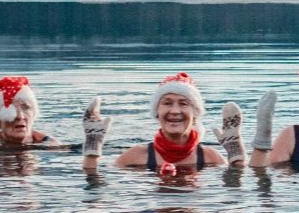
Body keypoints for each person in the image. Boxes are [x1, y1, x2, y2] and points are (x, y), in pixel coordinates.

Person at [82, 72, 228, 175]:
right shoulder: (135, 155)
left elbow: (234, 190)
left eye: (183, 104)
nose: (175, 111)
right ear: (157, 112)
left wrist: (237, 155)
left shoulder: (210, 157)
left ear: (195, 114)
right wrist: (92, 151)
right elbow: (95, 182)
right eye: (167, 103)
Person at [0, 76, 60, 148]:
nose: (20, 116)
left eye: (26, 108)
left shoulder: (52, 146)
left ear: (33, 114)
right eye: (10, 110)